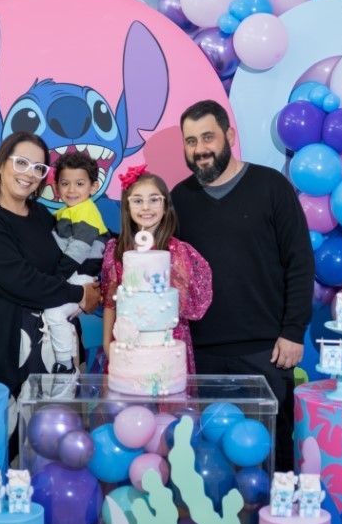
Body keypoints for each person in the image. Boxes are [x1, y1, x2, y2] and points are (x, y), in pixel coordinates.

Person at [171, 100, 314, 472]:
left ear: (230, 135)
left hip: (266, 351)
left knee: (273, 454)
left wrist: (293, 331)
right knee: (210, 460)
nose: (200, 149)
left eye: (208, 137)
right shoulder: (179, 199)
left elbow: (300, 262)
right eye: (190, 141)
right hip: (201, 356)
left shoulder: (271, 186)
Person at [0, 131, 101, 457]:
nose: (29, 173)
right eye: (21, 163)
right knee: (10, 450)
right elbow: (20, 280)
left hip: (56, 350)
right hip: (10, 353)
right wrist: (79, 294)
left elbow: (69, 262)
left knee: (56, 447)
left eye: (39, 168)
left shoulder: (41, 215)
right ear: (1, 165)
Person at [101, 164, 212, 372]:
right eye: (137, 201)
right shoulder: (117, 251)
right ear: (127, 206)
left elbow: (181, 304)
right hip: (127, 344)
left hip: (168, 344)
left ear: (165, 205)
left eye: (154, 200)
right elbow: (110, 303)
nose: (146, 207)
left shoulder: (177, 252)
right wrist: (107, 345)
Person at [44, 152, 110, 374]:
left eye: (79, 184)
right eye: (65, 183)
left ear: (93, 187)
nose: (72, 190)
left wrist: (56, 280)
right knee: (54, 315)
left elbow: (78, 250)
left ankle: (65, 365)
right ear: (56, 187)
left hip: (80, 275)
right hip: (73, 274)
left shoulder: (86, 210)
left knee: (54, 314)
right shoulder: (65, 212)